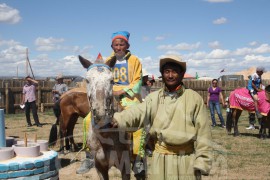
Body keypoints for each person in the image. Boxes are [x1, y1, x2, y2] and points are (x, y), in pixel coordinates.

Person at [111, 55, 213, 179]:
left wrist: (202, 160)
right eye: (167, 71)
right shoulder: (153, 98)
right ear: (162, 74)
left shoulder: (194, 98)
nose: (170, 75)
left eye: (175, 71)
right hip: (160, 160)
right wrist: (118, 119)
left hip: (186, 160)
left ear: (182, 74)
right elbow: (137, 112)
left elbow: (204, 132)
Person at [76, 31, 145, 178]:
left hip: (128, 97)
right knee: (88, 120)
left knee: (138, 125)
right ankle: (89, 155)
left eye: (122, 44)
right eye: (116, 44)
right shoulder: (108, 60)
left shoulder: (134, 60)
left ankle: (138, 159)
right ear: (112, 46)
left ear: (127, 45)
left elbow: (138, 82)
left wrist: (123, 91)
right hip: (109, 96)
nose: (119, 47)